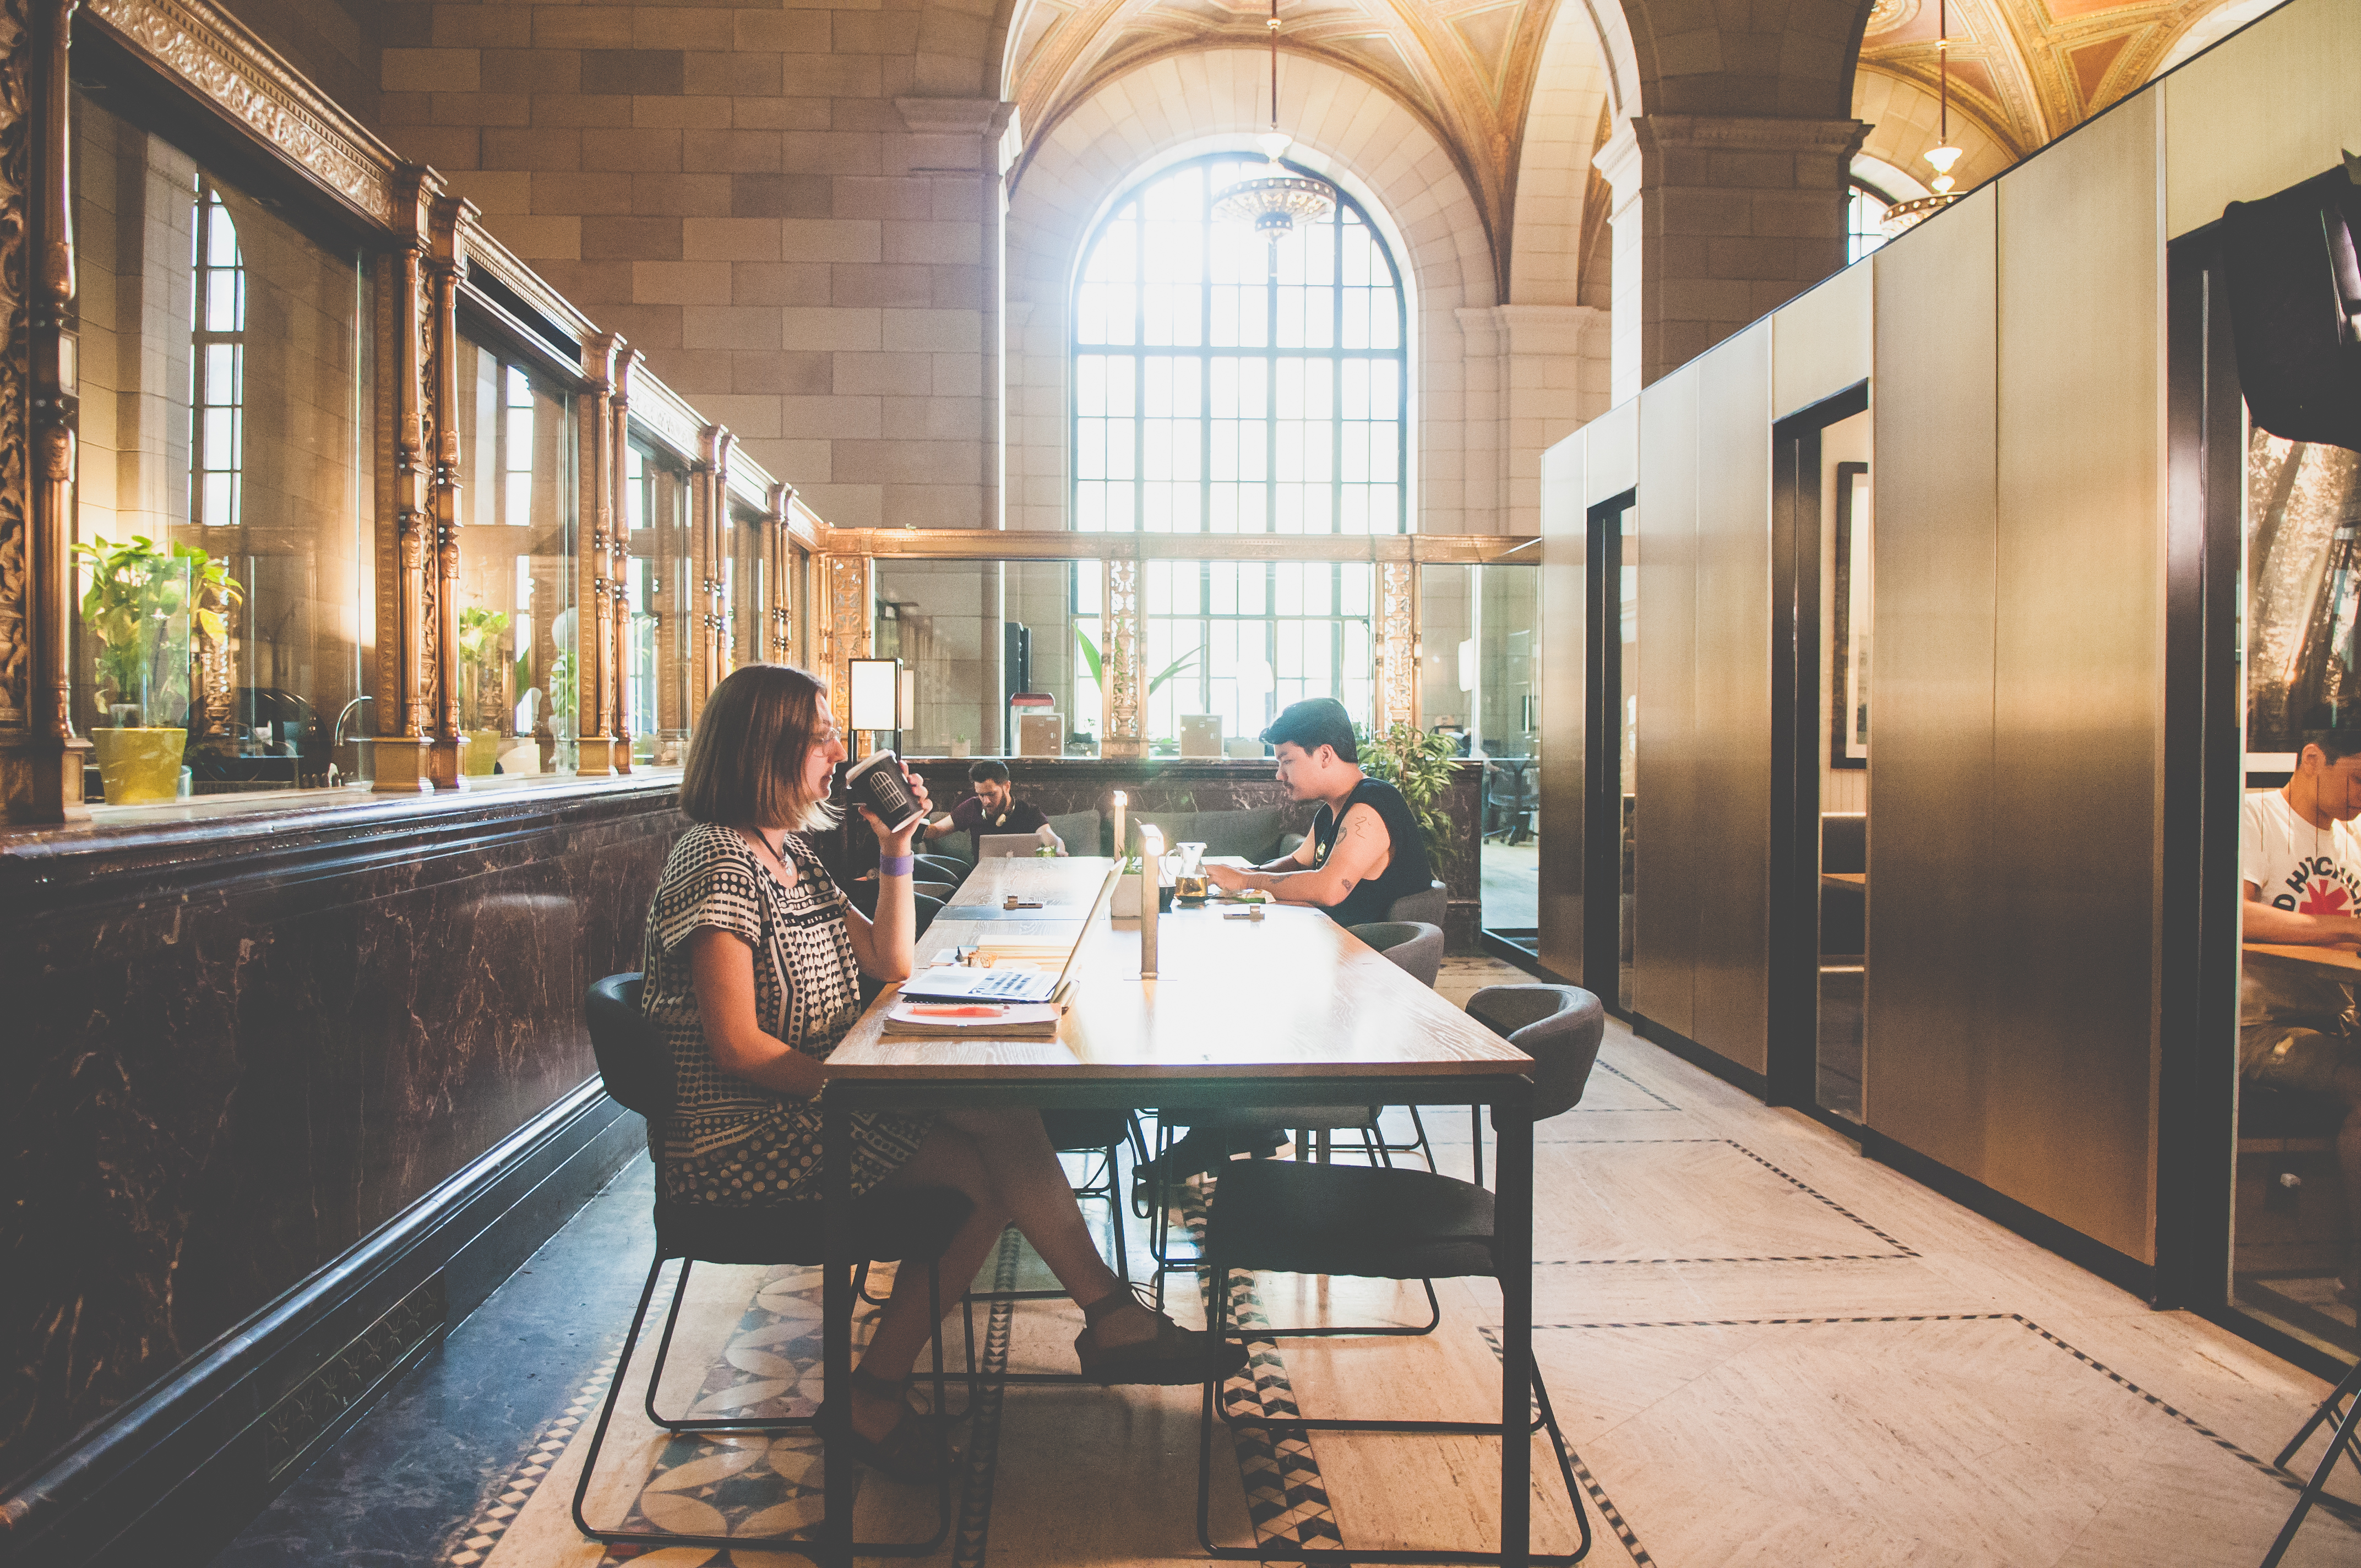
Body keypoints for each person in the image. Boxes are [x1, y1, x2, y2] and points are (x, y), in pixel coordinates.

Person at [639, 665, 1242, 1483]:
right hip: (744, 1139)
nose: (835, 750)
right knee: (990, 1160)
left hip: (812, 1106)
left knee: (1004, 1128)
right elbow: (738, 1048)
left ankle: (1080, 1326)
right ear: (763, 749)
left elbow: (891, 960)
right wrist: (855, 1087)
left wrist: (898, 848)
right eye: (819, 735)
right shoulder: (718, 862)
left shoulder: (788, 855)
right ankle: (1085, 1324)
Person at [2239, 731, 2361, 1305]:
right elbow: (2232, 912)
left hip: (2337, 1020)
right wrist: (2339, 928)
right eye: (2357, 777)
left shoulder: (2354, 835)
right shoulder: (2254, 815)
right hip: (2260, 1024)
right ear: (2312, 759)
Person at [1205, 696, 1432, 926]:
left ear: (1325, 755)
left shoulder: (1371, 804)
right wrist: (1247, 872)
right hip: (1330, 941)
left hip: (1365, 953)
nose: (1279, 775)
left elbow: (1330, 889)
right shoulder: (1330, 811)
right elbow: (1297, 863)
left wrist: (1245, 881)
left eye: (1287, 761)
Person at [921, 759, 1065, 853]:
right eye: (981, 795)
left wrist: (1059, 850)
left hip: (1022, 880)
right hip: (982, 881)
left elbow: (1052, 838)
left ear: (1007, 787)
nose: (986, 801)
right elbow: (936, 831)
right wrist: (911, 821)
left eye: (991, 794)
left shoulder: (1029, 813)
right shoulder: (972, 807)